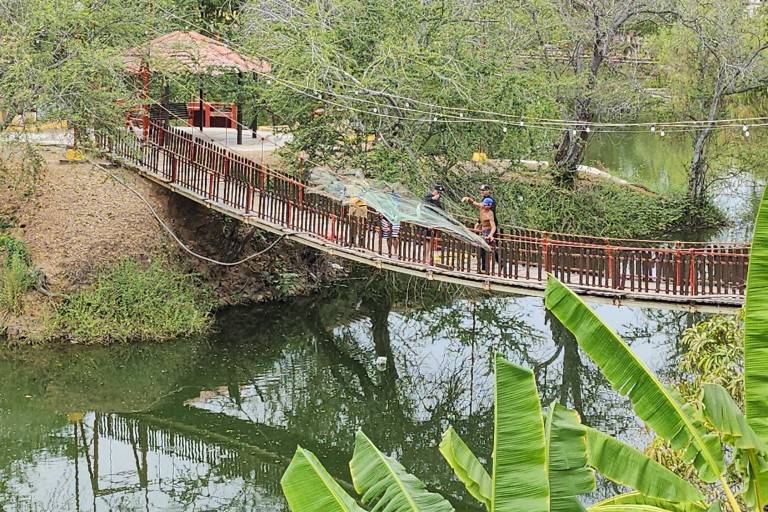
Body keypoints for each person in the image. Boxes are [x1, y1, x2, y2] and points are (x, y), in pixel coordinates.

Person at [422, 184, 444, 263]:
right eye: (438, 192)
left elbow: (440, 210)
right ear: (435, 191)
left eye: (440, 193)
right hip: (427, 222)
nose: (439, 194)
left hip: (434, 223)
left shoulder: (437, 201)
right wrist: (432, 198)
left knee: (431, 240)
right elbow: (423, 202)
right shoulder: (428, 197)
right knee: (427, 240)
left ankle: (430, 257)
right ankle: (425, 257)